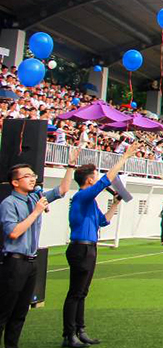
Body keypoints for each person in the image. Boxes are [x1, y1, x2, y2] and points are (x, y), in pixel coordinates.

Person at [63, 139, 141, 347]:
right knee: (75, 292)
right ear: (89, 180)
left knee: (82, 292)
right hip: (80, 247)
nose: (96, 179)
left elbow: (103, 220)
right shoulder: (83, 196)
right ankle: (68, 334)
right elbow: (106, 180)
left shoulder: (88, 201)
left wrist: (115, 203)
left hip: (89, 247)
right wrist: (124, 157)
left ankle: (80, 330)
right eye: (94, 177)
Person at [0, 148, 76, 348]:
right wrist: (36, 212)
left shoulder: (35, 197)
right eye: (27, 176)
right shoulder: (8, 203)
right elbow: (14, 232)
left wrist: (70, 166)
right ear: (15, 182)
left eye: (33, 175)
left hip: (31, 263)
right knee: (4, 311)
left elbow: (61, 191)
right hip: (14, 262)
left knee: (20, 312)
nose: (32, 179)